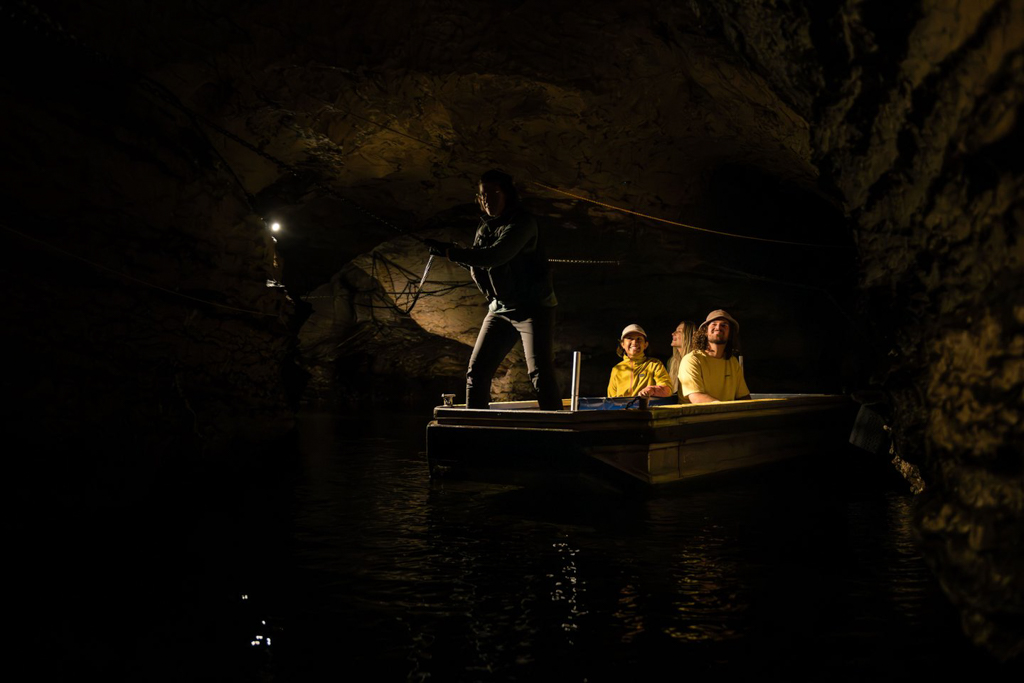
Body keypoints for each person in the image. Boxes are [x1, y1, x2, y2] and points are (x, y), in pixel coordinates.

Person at [423, 170, 562, 410]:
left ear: (507, 194)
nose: (486, 199)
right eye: (482, 195)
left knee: (539, 371)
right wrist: (450, 251)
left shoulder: (522, 223)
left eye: (492, 193)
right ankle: (475, 424)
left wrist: (451, 252)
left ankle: (558, 427)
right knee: (477, 371)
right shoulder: (485, 227)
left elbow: (496, 256)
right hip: (501, 308)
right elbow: (479, 260)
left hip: (533, 307)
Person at [678, 309, 751, 403]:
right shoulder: (692, 360)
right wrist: (727, 411)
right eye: (714, 324)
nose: (718, 327)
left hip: (726, 416)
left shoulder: (733, 362)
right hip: (696, 417)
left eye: (724, 325)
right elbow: (696, 398)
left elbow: (743, 396)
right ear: (705, 331)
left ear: (730, 333)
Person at [607, 324, 673, 398]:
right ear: (622, 344)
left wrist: (652, 390)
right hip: (623, 409)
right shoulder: (616, 369)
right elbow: (611, 399)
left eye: (639, 339)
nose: (635, 342)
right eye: (630, 338)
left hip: (646, 409)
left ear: (645, 345)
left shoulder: (654, 364)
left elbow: (668, 390)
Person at [666, 320, 696, 401]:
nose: (673, 333)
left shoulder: (696, 360)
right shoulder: (672, 362)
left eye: (679, 331)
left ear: (689, 336)